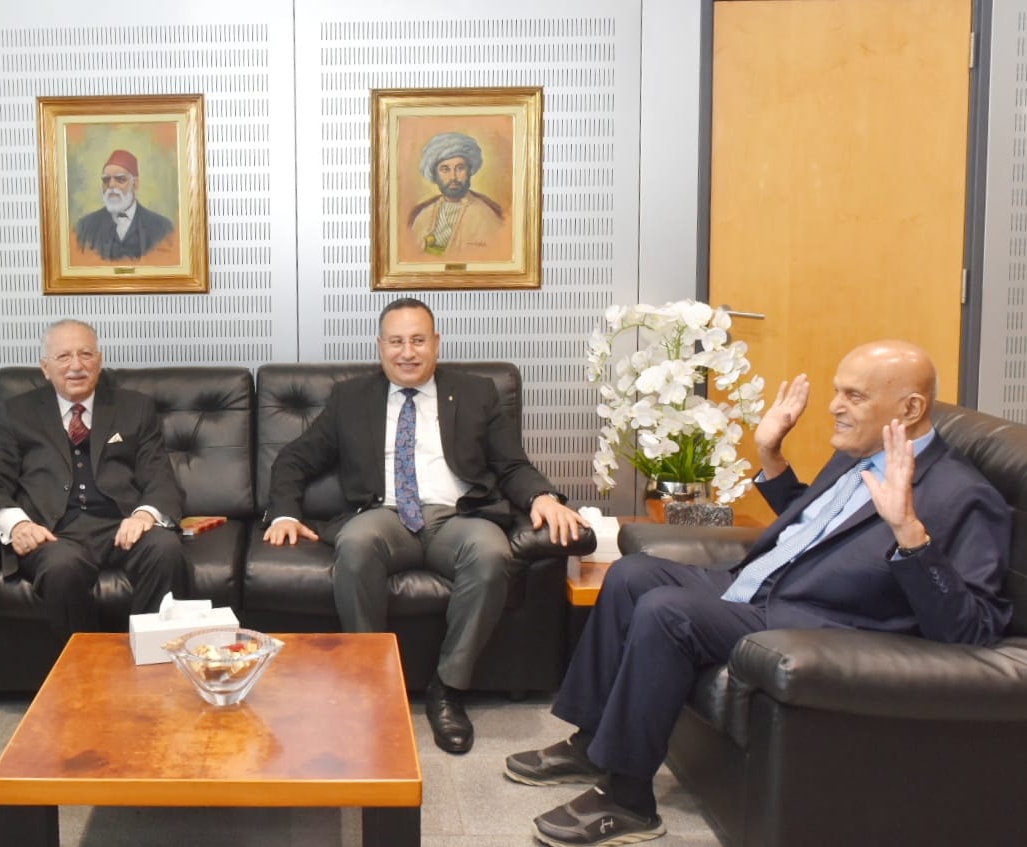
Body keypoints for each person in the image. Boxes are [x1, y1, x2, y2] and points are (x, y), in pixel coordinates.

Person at [507, 340, 1012, 847]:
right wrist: (771, 456)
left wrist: (910, 534)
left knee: (668, 611)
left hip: (818, 618)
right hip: (761, 584)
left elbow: (972, 628)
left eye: (854, 396)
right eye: (837, 391)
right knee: (631, 574)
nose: (835, 406)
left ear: (911, 408)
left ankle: (628, 799)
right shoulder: (860, 452)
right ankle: (593, 741)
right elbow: (821, 527)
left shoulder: (963, 495)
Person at [263, 297, 588, 754]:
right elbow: (295, 458)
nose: (407, 352)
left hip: (457, 516)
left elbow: (511, 465)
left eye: (418, 340)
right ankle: (369, 681)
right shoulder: (350, 398)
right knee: (356, 544)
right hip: (384, 515)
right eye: (396, 341)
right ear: (380, 346)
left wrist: (543, 497)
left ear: (436, 343)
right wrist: (285, 513)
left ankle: (448, 690)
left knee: (492, 554)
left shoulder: (476, 393)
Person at [0, 318, 188, 642]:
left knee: (164, 549)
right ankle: (85, 668)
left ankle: (151, 658)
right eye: (63, 356)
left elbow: (160, 476)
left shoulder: (134, 408)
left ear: (99, 361)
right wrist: (18, 526)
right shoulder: (18, 413)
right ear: (45, 367)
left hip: (119, 526)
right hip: (54, 533)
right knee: (62, 567)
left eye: (85, 354)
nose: (76, 366)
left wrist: (144, 515)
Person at [406, 132, 509, 260]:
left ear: (469, 171)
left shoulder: (486, 217)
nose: (453, 177)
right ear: (435, 175)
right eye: (445, 169)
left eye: (460, 168)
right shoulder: (422, 216)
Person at [73, 149, 175, 262]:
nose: (111, 185)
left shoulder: (162, 228)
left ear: (135, 184)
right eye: (106, 180)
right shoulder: (85, 227)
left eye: (120, 179)